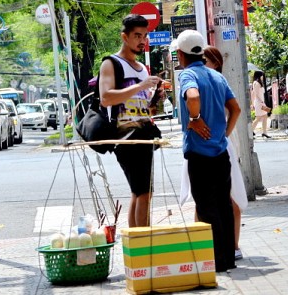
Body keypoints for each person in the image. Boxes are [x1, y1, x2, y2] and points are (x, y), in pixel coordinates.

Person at [173, 30, 241, 272]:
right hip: (220, 152)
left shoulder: (188, 74)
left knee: (206, 206)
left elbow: (192, 96)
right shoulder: (216, 76)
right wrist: (224, 133)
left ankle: (214, 261)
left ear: (181, 54)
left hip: (199, 153)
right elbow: (236, 109)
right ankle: (227, 258)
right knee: (223, 204)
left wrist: (195, 118)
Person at [98, 14, 162, 228]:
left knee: (141, 192)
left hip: (144, 135)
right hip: (125, 137)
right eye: (137, 35)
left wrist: (154, 99)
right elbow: (106, 98)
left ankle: (138, 247)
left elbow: (143, 107)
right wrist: (140, 86)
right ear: (124, 36)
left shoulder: (142, 68)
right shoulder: (111, 63)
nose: (142, 41)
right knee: (143, 192)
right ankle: (144, 244)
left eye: (144, 36)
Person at [203, 45, 245, 260]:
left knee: (228, 196)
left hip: (222, 144)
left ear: (216, 63)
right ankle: (212, 246)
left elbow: (235, 110)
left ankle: (234, 245)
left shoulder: (218, 82)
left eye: (205, 61)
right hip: (213, 143)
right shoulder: (205, 81)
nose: (201, 65)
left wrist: (225, 134)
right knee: (206, 197)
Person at [250, 70, 271, 138]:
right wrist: (261, 102)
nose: (262, 77)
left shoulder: (259, 83)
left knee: (265, 116)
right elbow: (255, 93)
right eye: (262, 75)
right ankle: (251, 131)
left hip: (261, 102)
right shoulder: (256, 83)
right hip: (259, 102)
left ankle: (264, 132)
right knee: (258, 117)